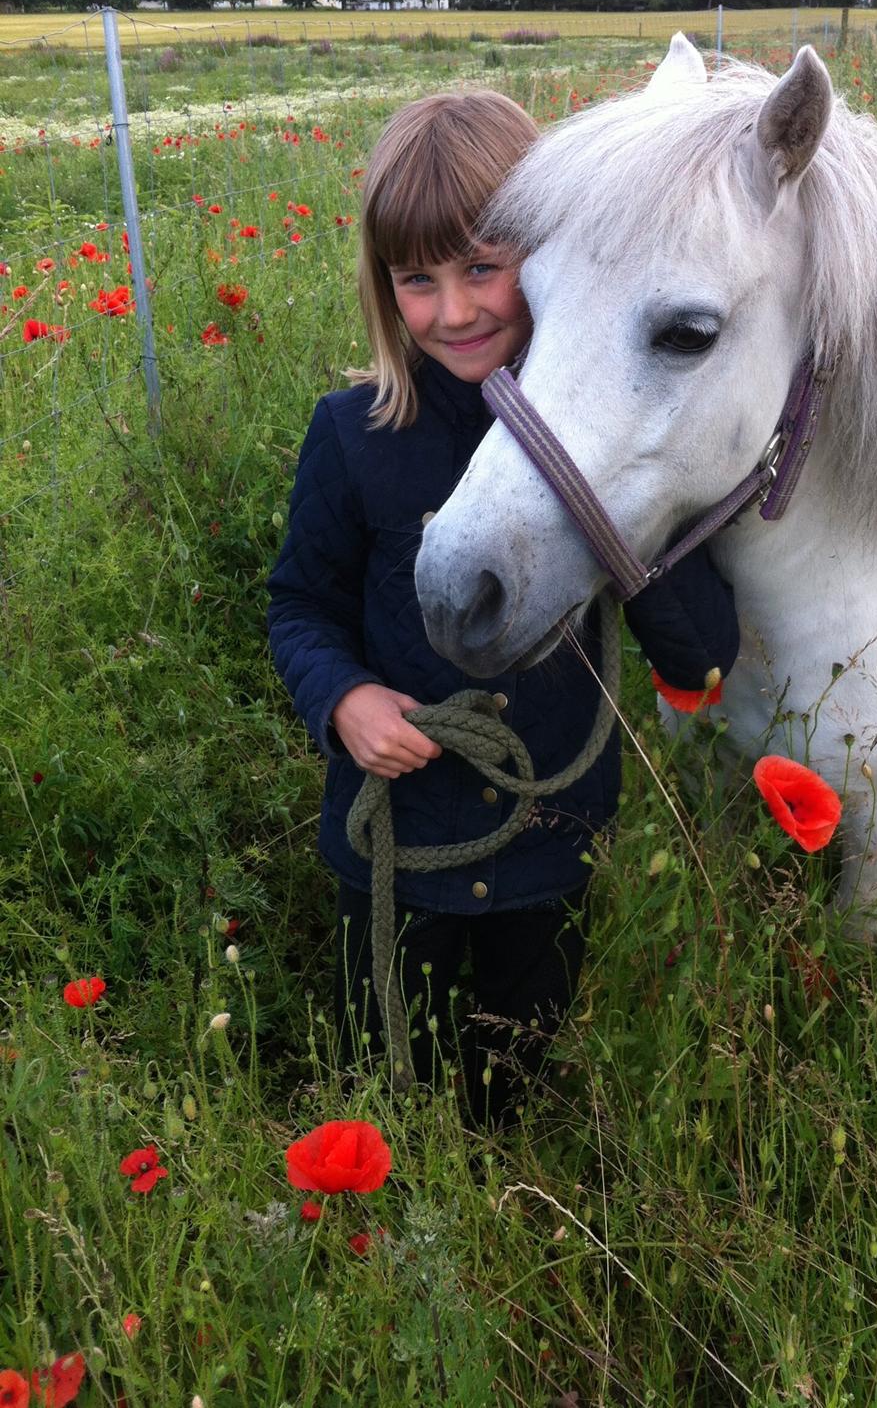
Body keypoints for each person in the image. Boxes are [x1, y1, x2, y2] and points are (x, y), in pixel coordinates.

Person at [268, 90, 738, 1129]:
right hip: (400, 845)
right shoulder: (353, 435)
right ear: (385, 292)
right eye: (417, 282)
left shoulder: (618, 437)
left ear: (551, 253)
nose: (456, 310)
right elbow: (299, 605)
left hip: (548, 848)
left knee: (513, 1084)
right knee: (386, 1072)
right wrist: (344, 699)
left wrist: (621, 517)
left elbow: (703, 656)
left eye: (483, 266)